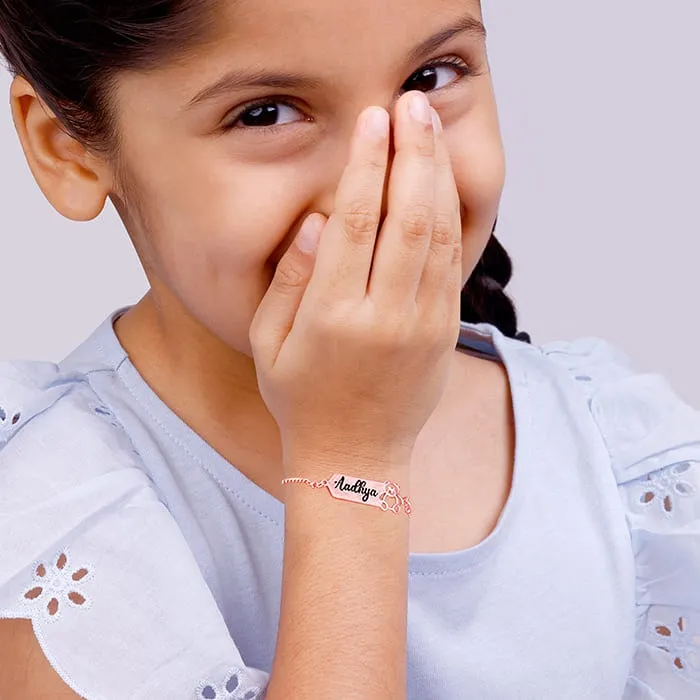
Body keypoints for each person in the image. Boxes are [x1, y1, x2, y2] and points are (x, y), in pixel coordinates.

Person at [0, 0, 697, 697]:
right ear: (65, 146)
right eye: (266, 113)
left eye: (429, 77)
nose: (390, 181)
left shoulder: (624, 459)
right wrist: (351, 460)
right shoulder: (48, 530)